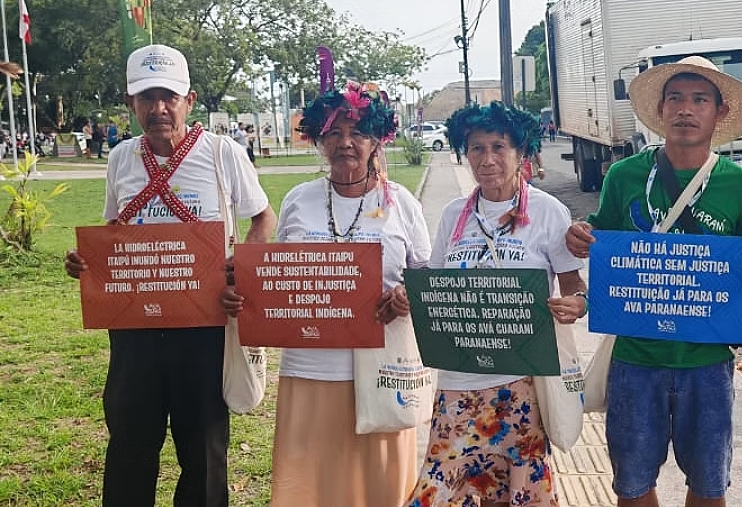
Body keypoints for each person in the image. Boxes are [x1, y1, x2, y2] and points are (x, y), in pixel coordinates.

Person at [564, 56, 742, 507]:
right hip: (634, 360)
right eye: (676, 99)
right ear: (661, 110)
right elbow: (602, 243)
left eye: (700, 99)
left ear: (719, 113)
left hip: (706, 361)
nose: (687, 109)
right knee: (632, 485)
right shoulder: (624, 176)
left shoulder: (741, 185)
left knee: (708, 486)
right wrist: (580, 236)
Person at [63, 44, 277, 507]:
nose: (159, 107)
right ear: (130, 103)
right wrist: (87, 261)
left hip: (203, 327)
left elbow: (263, 219)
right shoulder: (121, 158)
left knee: (202, 450)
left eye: (169, 96)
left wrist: (241, 270)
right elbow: (112, 231)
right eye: (147, 97)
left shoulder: (223, 154)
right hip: (134, 328)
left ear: (190, 99)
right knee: (129, 442)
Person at [223, 81, 429, 507]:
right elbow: (276, 281)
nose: (346, 143)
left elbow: (427, 280)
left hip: (382, 371)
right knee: (310, 488)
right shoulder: (300, 200)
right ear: (319, 140)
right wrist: (242, 289)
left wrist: (408, 297)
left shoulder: (402, 204)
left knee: (381, 489)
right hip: (309, 370)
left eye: (357, 133)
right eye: (333, 133)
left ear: (377, 140)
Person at [404, 101, 587, 507]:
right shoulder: (455, 215)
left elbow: (577, 288)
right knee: (442, 491)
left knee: (515, 492)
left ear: (521, 152)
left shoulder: (548, 212)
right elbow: (435, 288)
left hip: (521, 385)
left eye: (499, 147)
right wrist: (411, 296)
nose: (487, 159)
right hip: (457, 382)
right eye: (476, 148)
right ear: (464, 153)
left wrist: (574, 305)